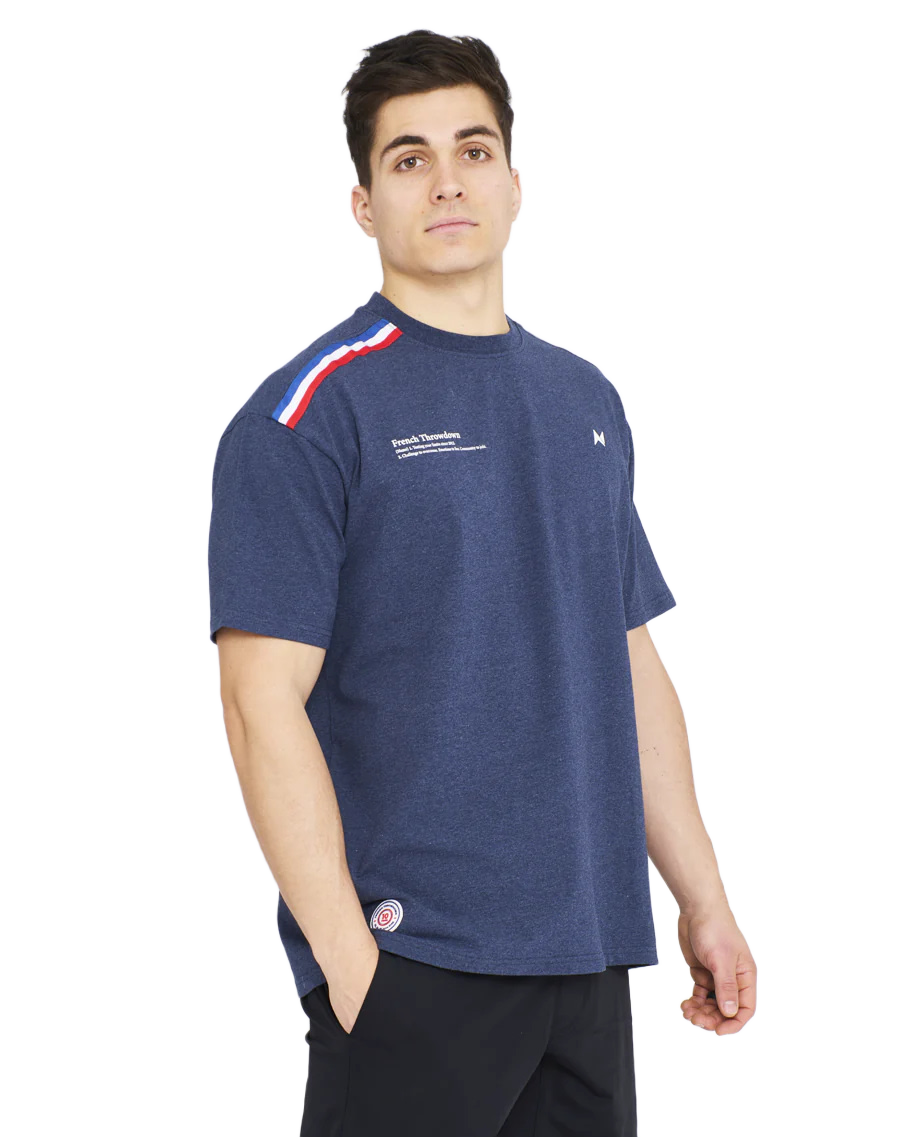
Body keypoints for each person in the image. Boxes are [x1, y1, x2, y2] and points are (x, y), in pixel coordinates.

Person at [207, 27, 758, 1137]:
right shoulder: (307, 413)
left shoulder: (582, 400)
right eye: (408, 158)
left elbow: (627, 661)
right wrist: (352, 966)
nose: (447, 180)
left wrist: (703, 898)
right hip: (416, 958)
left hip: (586, 953)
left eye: (473, 150)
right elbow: (259, 702)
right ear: (364, 204)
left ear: (513, 184)